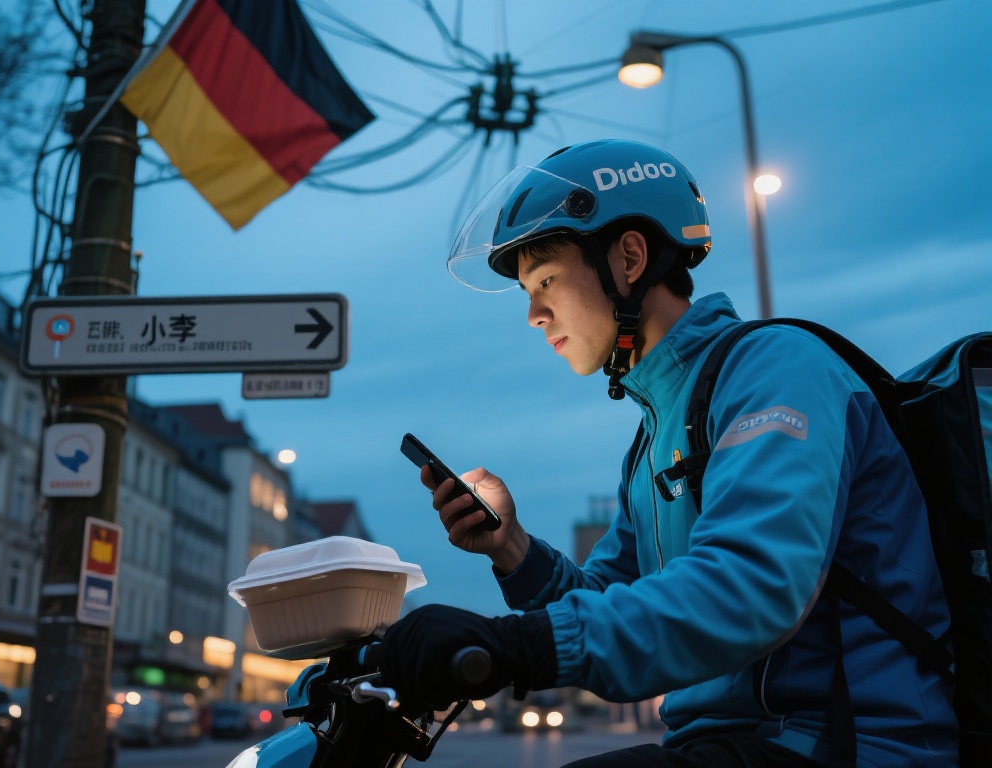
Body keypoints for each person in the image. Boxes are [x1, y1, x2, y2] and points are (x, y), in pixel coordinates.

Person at [377, 139, 958, 767]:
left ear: (628, 258)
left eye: (544, 281)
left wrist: (511, 644)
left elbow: (751, 584)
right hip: (734, 744)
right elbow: (606, 596)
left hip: (846, 745)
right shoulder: (657, 432)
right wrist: (511, 549)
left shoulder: (776, 371)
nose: (534, 315)